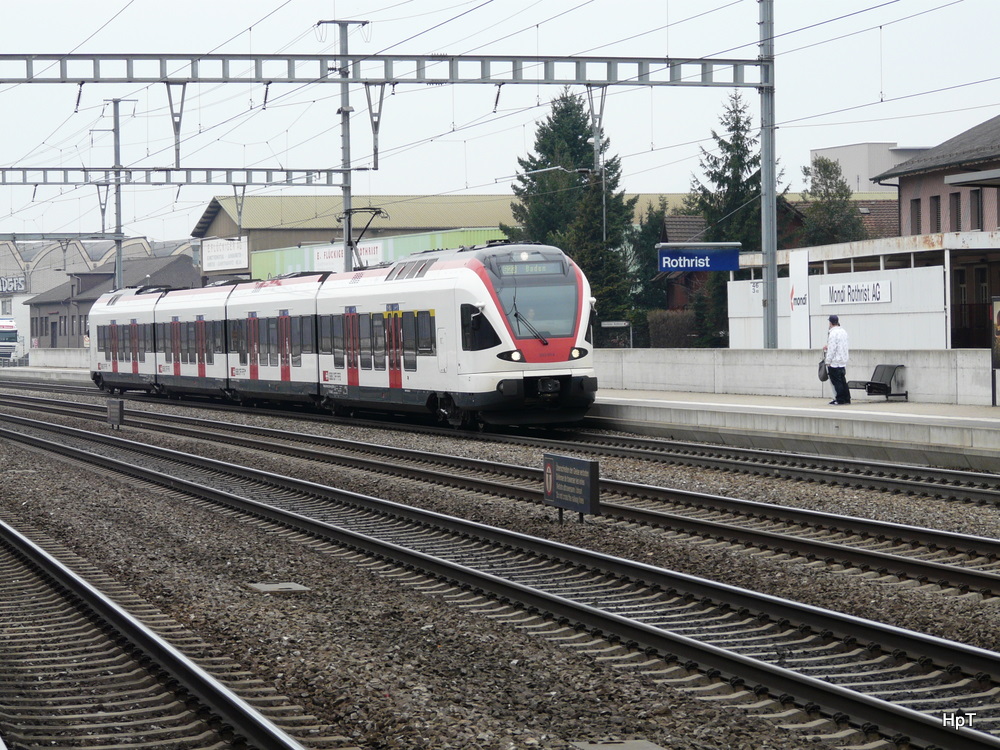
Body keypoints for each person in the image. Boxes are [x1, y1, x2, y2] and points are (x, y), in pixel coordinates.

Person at [824, 314, 850, 405]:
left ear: (830, 323)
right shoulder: (843, 331)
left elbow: (832, 348)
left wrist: (828, 361)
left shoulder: (832, 333)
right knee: (843, 380)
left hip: (835, 361)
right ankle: (847, 398)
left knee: (836, 381)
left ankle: (840, 399)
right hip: (843, 360)